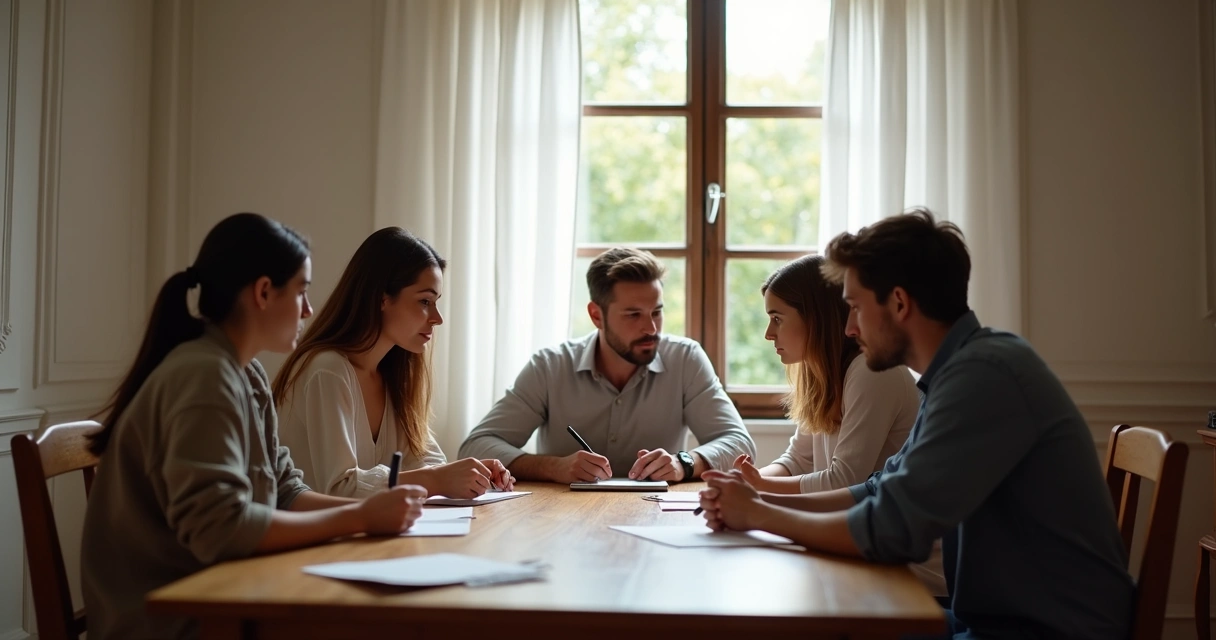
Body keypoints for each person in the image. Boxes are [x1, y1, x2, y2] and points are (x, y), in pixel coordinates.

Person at [697, 209, 1133, 639]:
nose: (848, 328)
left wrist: (758, 513)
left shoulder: (984, 376)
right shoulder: (958, 373)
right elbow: (877, 490)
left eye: (854, 308)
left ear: (900, 303)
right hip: (993, 619)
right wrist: (756, 506)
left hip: (1046, 630)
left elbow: (892, 529)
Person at [81, 213, 426, 640]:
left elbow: (284, 491)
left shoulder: (246, 375)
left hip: (225, 594)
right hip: (171, 620)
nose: (309, 309)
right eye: (301, 291)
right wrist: (358, 517)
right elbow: (220, 530)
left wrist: (370, 514)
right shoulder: (203, 376)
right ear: (263, 292)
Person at [459, 247, 756, 483]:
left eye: (657, 312)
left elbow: (740, 445)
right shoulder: (550, 367)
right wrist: (553, 468)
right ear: (596, 315)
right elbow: (476, 446)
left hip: (656, 517)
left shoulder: (686, 359)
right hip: (563, 521)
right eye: (633, 315)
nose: (651, 328)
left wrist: (684, 463)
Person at [274, 227, 513, 499]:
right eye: (425, 301)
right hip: (316, 539)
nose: (437, 318)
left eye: (436, 302)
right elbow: (339, 488)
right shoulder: (327, 370)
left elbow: (426, 462)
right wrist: (437, 479)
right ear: (382, 298)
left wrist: (473, 474)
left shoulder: (392, 374)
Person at [733, 254, 919, 494]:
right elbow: (798, 460)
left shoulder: (873, 371)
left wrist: (760, 486)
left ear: (815, 318)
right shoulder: (821, 373)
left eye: (777, 319)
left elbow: (845, 481)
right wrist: (744, 481)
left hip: (885, 529)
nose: (768, 333)